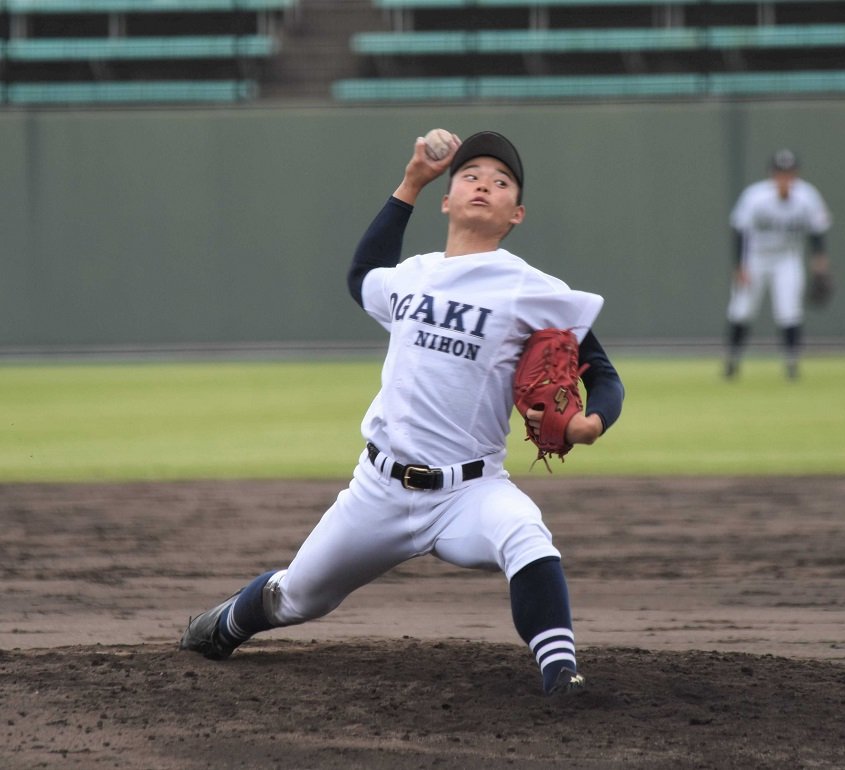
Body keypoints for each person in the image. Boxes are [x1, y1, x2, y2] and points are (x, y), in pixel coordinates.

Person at [178, 130, 625, 696]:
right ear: (447, 199)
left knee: (525, 534)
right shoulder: (412, 275)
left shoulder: (536, 290)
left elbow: (603, 376)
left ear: (517, 213)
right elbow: (361, 274)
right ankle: (225, 625)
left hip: (470, 491)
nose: (484, 183)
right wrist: (411, 181)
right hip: (378, 490)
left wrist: (592, 423)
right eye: (470, 175)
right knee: (298, 597)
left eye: (501, 180)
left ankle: (562, 674)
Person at [723, 149, 832, 380]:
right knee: (741, 309)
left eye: (789, 173)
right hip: (755, 258)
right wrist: (739, 266)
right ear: (771, 174)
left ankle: (791, 364)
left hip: (787, 258)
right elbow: (740, 230)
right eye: (780, 173)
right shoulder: (755, 196)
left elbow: (817, 232)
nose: (784, 178)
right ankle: (732, 360)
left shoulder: (807, 196)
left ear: (796, 174)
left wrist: (820, 263)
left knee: (789, 310)